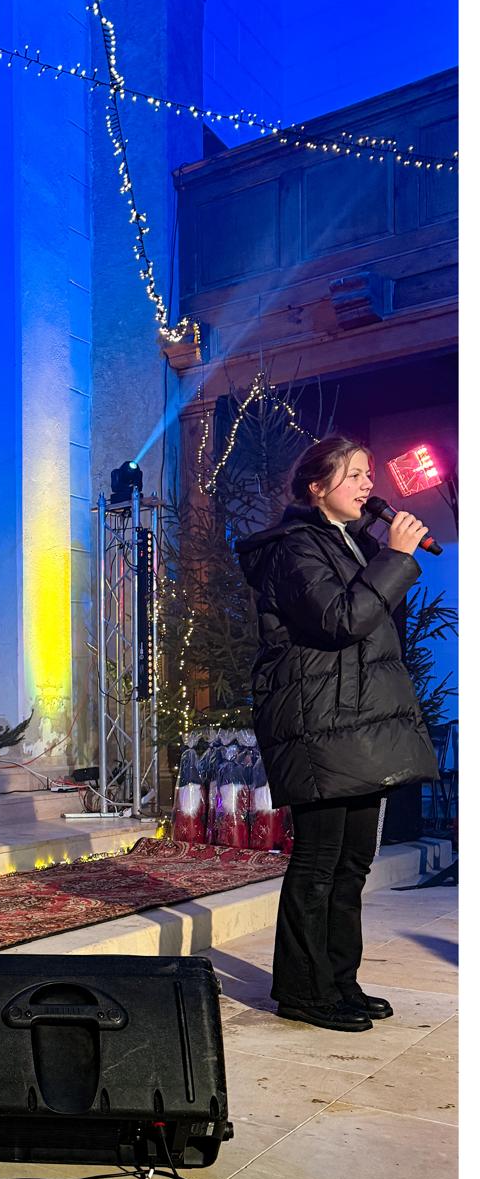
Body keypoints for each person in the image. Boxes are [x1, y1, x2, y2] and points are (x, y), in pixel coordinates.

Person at [237, 435, 439, 1032]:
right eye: (352, 474)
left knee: (353, 862)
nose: (367, 484)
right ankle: (303, 991)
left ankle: (339, 982)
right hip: (316, 721)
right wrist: (395, 557)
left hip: (354, 722)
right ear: (316, 487)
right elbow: (339, 620)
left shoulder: (352, 543)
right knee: (319, 859)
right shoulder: (293, 547)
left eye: (368, 473)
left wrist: (386, 556)